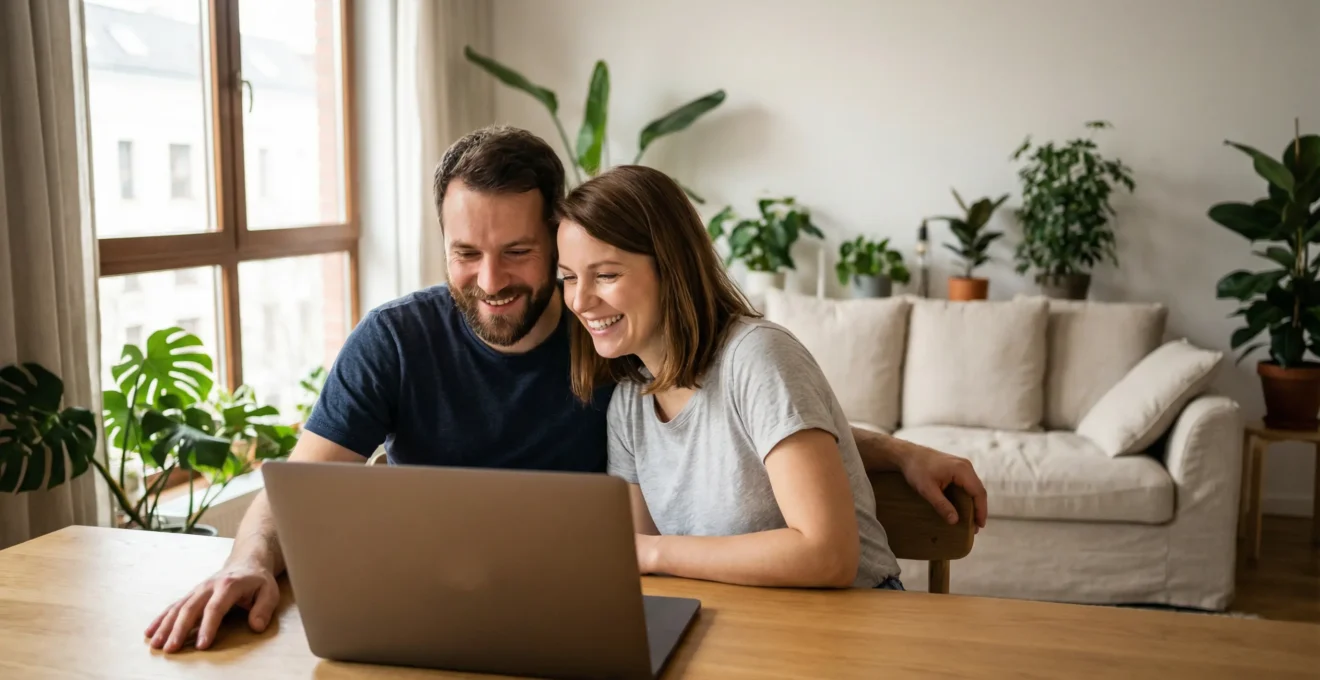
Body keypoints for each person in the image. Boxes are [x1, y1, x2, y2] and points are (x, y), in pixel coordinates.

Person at [145, 126, 987, 651]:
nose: (490, 279)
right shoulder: (436, 348)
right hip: (471, 624)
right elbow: (304, 486)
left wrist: (879, 447)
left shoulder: (612, 355)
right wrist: (248, 563)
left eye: (518, 251)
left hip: (810, 632)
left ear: (556, 239)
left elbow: (738, 412)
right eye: (464, 253)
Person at [557, 165, 902, 588]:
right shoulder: (630, 403)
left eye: (606, 275)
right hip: (738, 618)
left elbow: (828, 555)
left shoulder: (759, 356)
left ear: (671, 267)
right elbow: (642, 574)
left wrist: (654, 550)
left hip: (855, 617)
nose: (579, 300)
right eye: (568, 277)